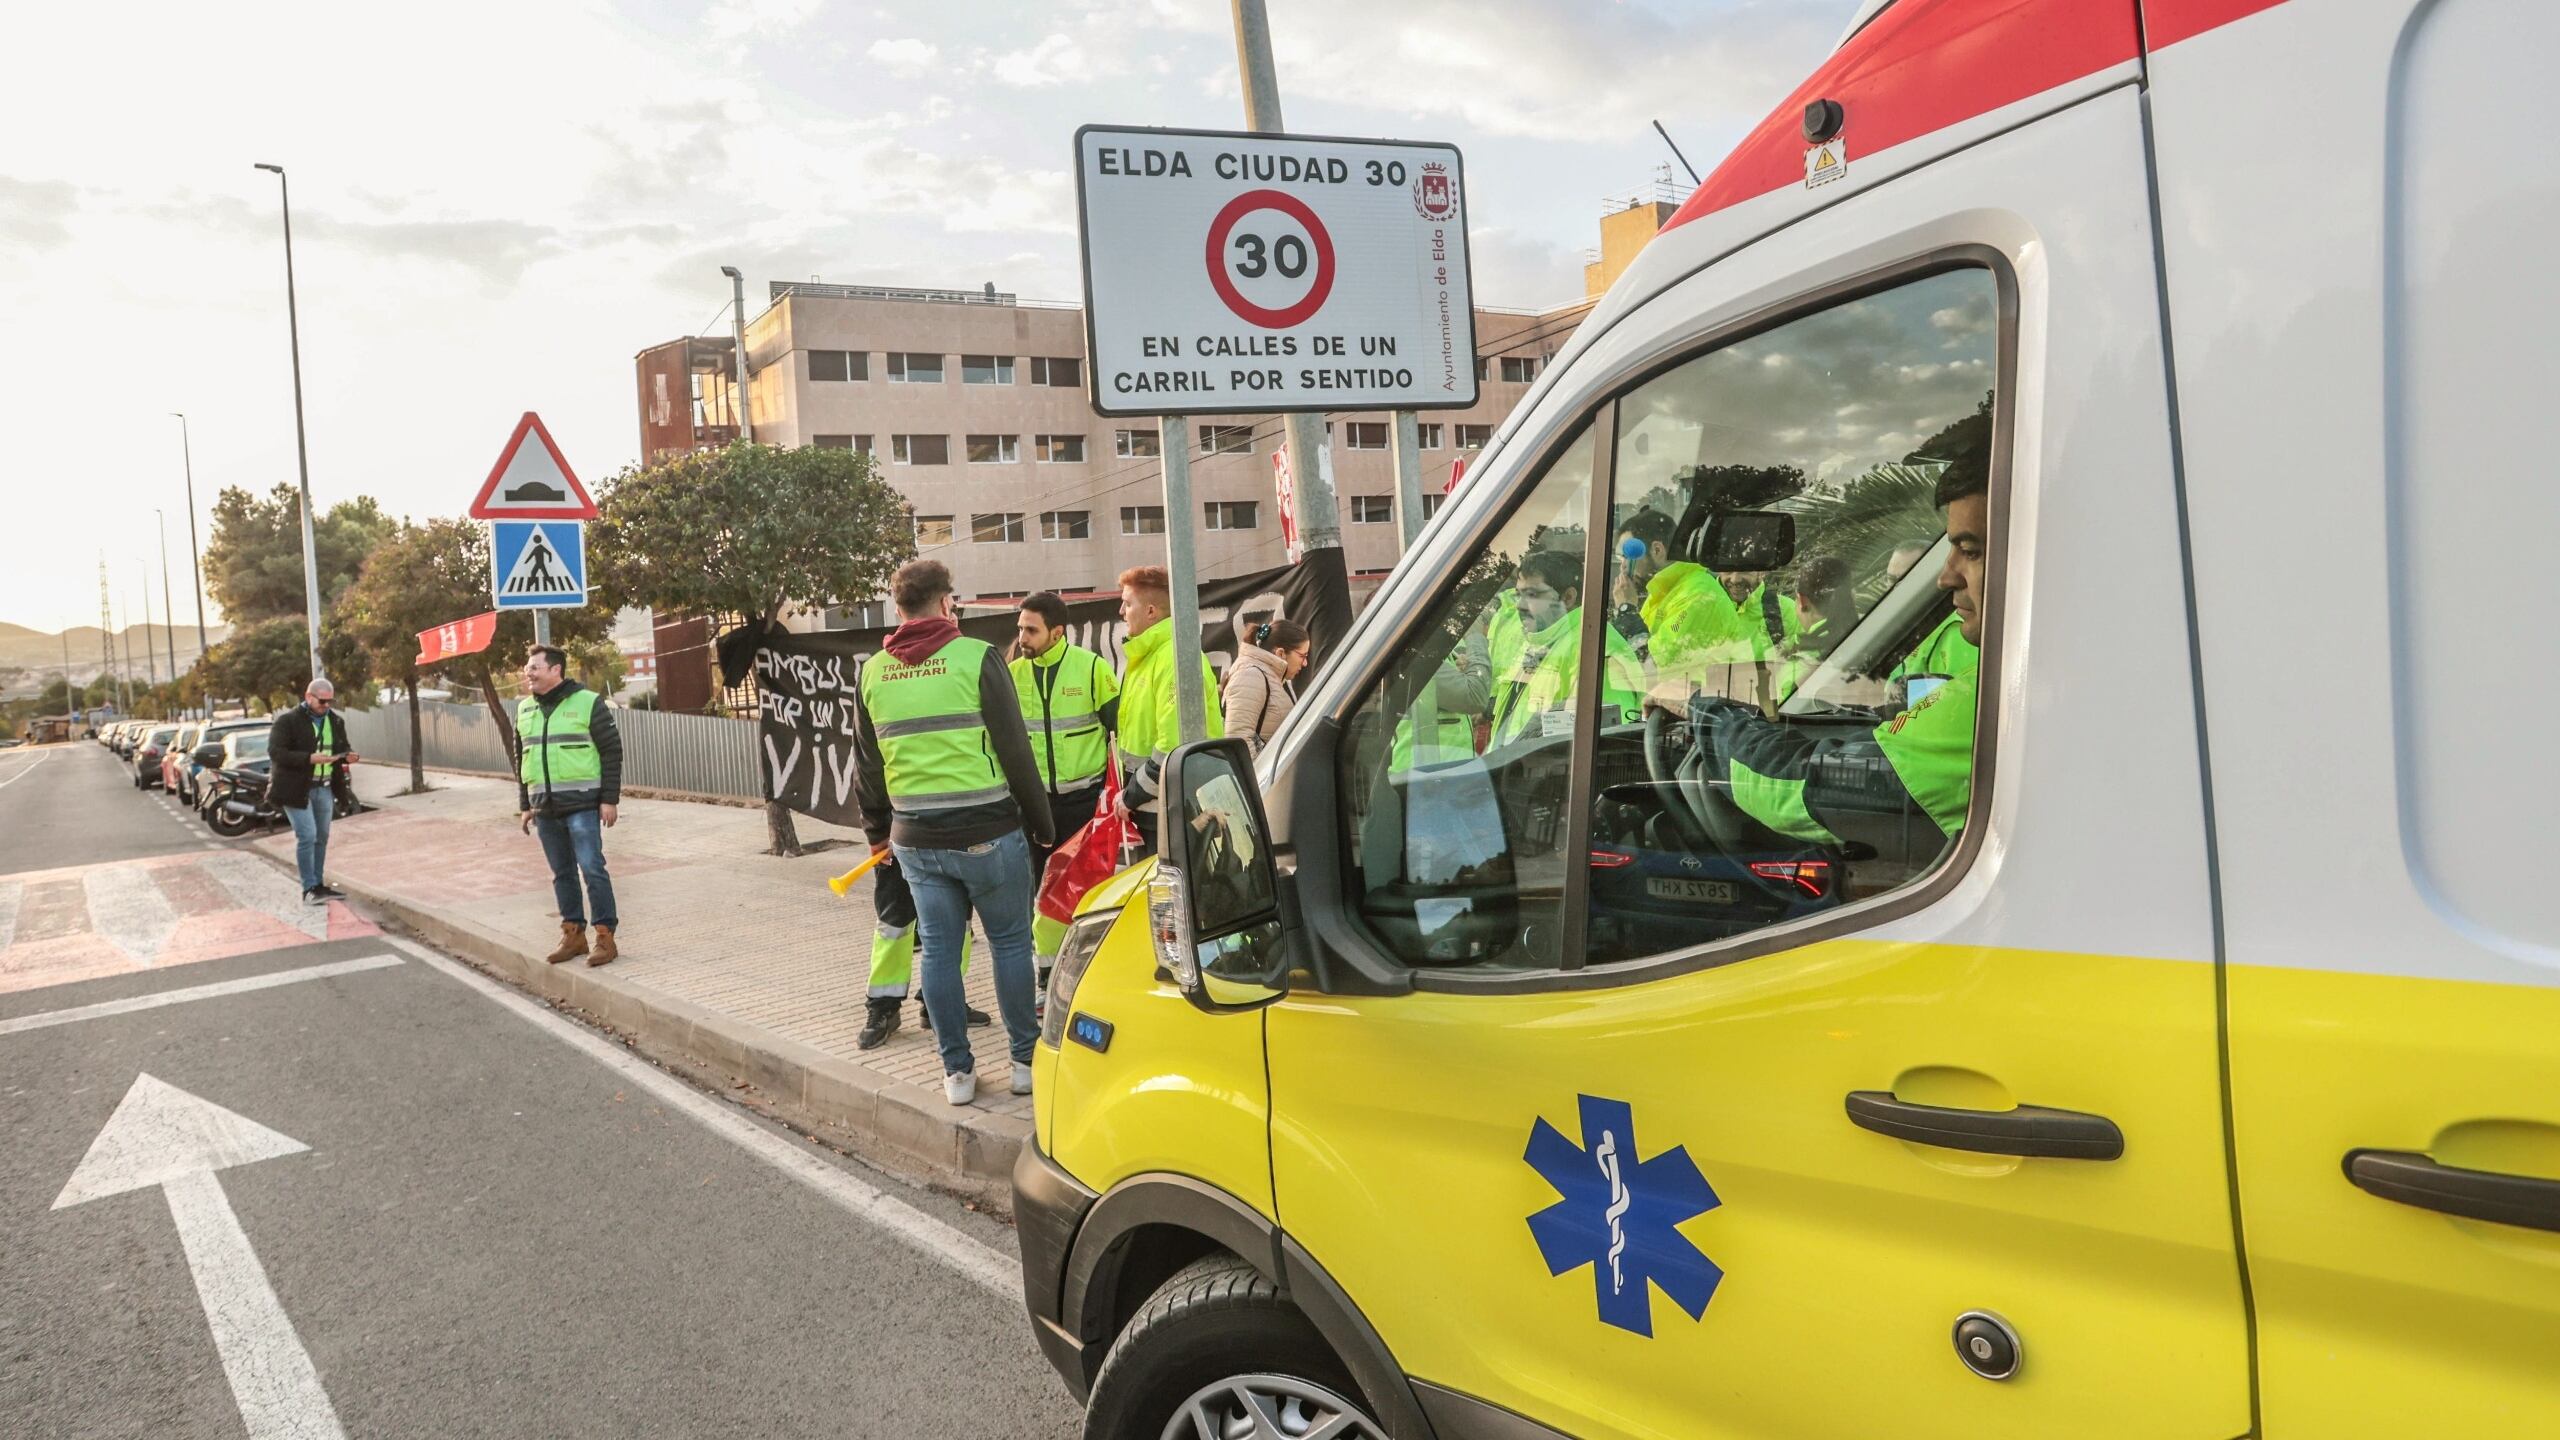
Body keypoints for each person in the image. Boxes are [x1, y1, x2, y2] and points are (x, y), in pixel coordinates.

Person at [1701, 458, 1988, 847]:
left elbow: (1803, 789)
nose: (1944, 577)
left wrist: (1707, 714)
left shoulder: (1986, 703)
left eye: (1970, 550)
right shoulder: (1997, 685)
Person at [852, 559, 1053, 1106]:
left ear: (899, 610)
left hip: (914, 838)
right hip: (988, 831)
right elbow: (1016, 751)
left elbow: (867, 766)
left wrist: (876, 833)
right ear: (947, 603)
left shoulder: (872, 673)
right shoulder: (977, 658)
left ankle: (957, 1075)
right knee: (1011, 943)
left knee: (938, 951)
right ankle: (1023, 1064)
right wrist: (1042, 827)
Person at [1012, 591, 1120, 977]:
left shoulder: (1092, 669)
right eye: (1020, 628)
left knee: (1080, 891)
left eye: (1031, 630)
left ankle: (1084, 969)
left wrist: (1114, 799)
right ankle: (1045, 974)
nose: (1022, 637)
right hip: (1032, 806)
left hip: (1082, 804)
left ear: (1056, 632)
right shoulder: (1013, 674)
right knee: (1037, 894)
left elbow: (1118, 733)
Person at [515, 644, 624, 967]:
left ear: (555, 670)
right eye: (528, 668)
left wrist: (609, 799)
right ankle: (573, 934)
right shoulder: (524, 710)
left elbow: (611, 752)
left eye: (535, 667)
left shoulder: (588, 702)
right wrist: (525, 804)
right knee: (561, 873)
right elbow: (522, 759)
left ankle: (605, 937)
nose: (528, 673)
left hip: (583, 804)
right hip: (544, 807)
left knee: (592, 868)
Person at [1113, 564, 1222, 862]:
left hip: (1175, 810)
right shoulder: (1148, 658)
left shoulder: (1173, 659)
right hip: (1156, 808)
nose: (1122, 611)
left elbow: (1173, 747)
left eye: (1127, 603)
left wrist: (1132, 794)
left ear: (1151, 611)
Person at [1490, 549, 1645, 746]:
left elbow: (1607, 748)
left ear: (1568, 598)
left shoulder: (1595, 652)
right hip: (1510, 770)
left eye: (1531, 594)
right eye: (1518, 594)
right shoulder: (1540, 644)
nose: (1520, 605)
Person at [268, 678, 357, 907]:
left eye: (330, 701)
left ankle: (318, 884)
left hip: (324, 787)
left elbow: (341, 747)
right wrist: (308, 759)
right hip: (296, 789)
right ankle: (308, 888)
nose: (326, 706)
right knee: (307, 835)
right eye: (322, 701)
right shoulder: (287, 722)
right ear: (309, 697)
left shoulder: (336, 722)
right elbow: (276, 752)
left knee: (322, 837)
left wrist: (348, 755)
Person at [1221, 617, 1309, 758]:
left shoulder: (1271, 676)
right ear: (1280, 653)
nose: (1305, 663)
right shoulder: (1250, 675)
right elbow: (1238, 740)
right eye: (1302, 656)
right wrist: (1261, 778)